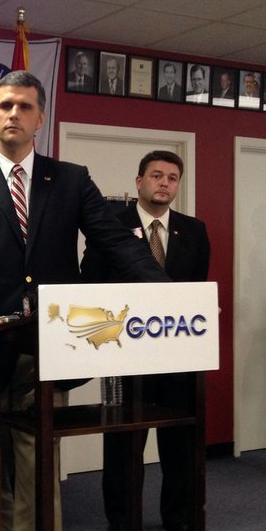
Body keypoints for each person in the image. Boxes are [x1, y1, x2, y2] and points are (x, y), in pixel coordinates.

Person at [0, 70, 168, 531]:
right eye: (5, 105)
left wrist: (172, 295)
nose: (13, 114)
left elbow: (116, 242)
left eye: (24, 106)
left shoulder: (69, 180)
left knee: (37, 470)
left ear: (39, 117)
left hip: (45, 351)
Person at [81, 151, 210, 531]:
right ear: (139, 182)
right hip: (124, 357)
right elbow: (91, 284)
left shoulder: (195, 230)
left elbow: (195, 295)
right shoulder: (111, 226)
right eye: (156, 176)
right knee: (122, 449)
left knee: (179, 449)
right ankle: (122, 521)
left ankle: (179, 520)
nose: (164, 183)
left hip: (176, 360)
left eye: (172, 177)